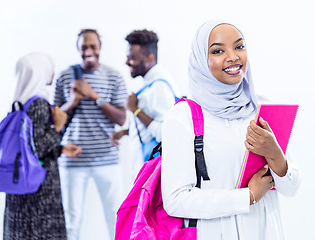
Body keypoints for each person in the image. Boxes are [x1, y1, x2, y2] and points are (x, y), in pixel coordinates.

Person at [161, 20, 300, 240]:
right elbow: (176, 200)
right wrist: (248, 197)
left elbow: (291, 188)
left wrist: (275, 155)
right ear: (200, 59)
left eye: (239, 46)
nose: (233, 56)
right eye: (218, 50)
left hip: (267, 231)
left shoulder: (262, 108)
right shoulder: (183, 116)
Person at [53, 29, 127, 240]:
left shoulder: (114, 76)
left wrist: (94, 96)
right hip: (73, 161)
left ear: (100, 47)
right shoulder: (65, 76)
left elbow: (121, 118)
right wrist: (72, 101)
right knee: (71, 221)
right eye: (84, 47)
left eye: (92, 46)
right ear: (78, 48)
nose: (88, 51)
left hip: (107, 158)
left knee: (115, 218)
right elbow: (53, 119)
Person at [3, 52, 82, 240]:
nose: (52, 74)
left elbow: (26, 147)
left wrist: (60, 149)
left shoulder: (18, 103)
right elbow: (36, 148)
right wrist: (58, 128)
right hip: (39, 187)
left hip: (19, 181)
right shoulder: (38, 104)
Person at [111, 29, 177, 176]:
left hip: (155, 174)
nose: (127, 62)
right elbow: (152, 126)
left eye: (132, 58)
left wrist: (135, 110)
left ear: (149, 58)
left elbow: (166, 132)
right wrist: (125, 132)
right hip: (146, 170)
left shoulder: (159, 87)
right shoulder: (149, 83)